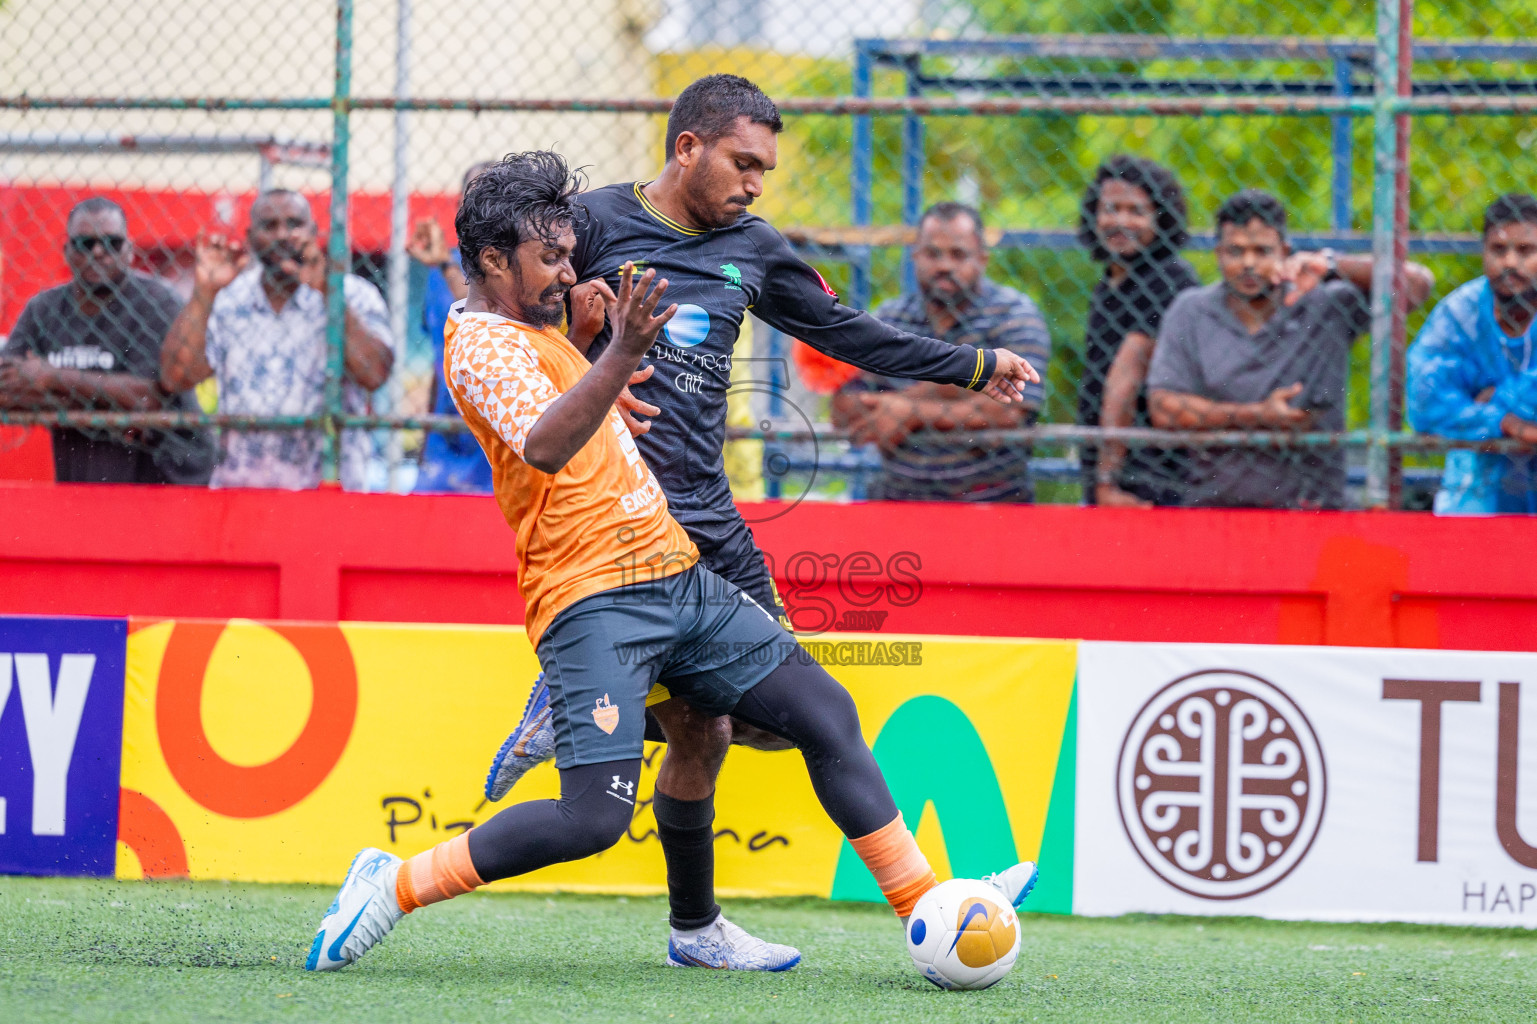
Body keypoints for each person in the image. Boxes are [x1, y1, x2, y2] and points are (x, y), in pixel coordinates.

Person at [303, 152, 1037, 972]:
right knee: (592, 820)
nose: (567, 271)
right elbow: (545, 446)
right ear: (489, 261)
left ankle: (926, 909)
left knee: (819, 713)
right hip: (592, 601)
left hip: (677, 573)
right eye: (549, 259)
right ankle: (393, 881)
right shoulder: (479, 344)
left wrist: (591, 348)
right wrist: (619, 352)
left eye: (567, 254)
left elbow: (575, 388)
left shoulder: (545, 328)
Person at [1147, 189, 1433, 509]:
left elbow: (1417, 284)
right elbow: (1163, 407)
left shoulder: (1325, 303)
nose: (1249, 264)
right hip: (1217, 504)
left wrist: (1330, 264)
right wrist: (1258, 416)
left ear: (1284, 252)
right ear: (1218, 254)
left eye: (1262, 251)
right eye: (1235, 252)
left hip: (1312, 504)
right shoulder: (1191, 311)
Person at [159, 190, 395, 490]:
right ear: (250, 236)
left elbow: (374, 374)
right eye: (269, 226)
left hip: (328, 494)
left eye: (294, 224)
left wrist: (329, 294)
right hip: (241, 493)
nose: (282, 234)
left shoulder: (355, 295)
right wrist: (205, 293)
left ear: (313, 232)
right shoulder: (228, 298)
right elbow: (175, 378)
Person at [829, 201, 1051, 502]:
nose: (944, 265)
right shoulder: (890, 318)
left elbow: (1012, 408)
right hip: (898, 498)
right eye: (933, 254)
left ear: (982, 260)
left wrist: (908, 410)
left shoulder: (1013, 314)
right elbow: (846, 408)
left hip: (993, 501)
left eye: (958, 254)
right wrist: (967, 388)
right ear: (915, 257)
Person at [2, 197, 211, 484]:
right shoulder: (44, 309)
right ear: (67, 251)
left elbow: (147, 398)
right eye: (85, 244)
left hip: (162, 475)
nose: (99, 252)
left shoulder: (157, 302)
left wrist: (49, 377)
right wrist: (112, 396)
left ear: (129, 251)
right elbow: (6, 391)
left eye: (111, 242)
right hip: (83, 476)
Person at [1075, 156, 1199, 507]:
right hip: (1109, 455)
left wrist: (1106, 481)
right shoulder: (1109, 284)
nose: (1121, 222)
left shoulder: (1168, 277)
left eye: (1136, 211)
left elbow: (1126, 377)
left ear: (1160, 218)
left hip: (1149, 464)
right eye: (1111, 208)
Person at [1408, 193, 1537, 513]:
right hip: (1481, 473)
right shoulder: (1460, 312)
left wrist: (1490, 398)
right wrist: (1504, 421)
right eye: (1498, 250)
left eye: (1525, 251)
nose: (1509, 263)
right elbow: (1424, 402)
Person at [410, 161, 497, 493]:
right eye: (474, 199)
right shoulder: (439, 270)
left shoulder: (527, 272)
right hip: (445, 439)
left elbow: (486, 309)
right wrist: (425, 439)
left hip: (496, 437)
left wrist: (444, 264)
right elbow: (439, 355)